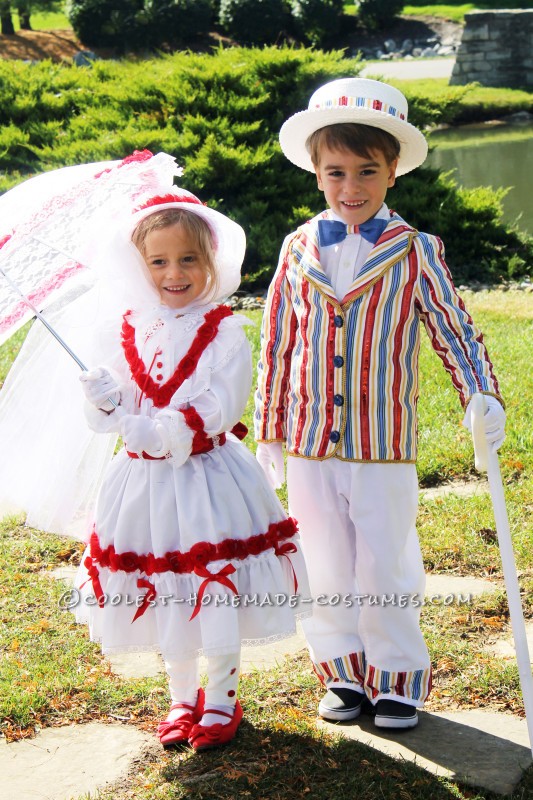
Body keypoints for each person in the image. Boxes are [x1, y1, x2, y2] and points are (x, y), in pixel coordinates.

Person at [254, 78, 506, 730]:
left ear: (392, 171)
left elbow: (454, 329)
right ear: (315, 174)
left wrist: (480, 393)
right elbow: (278, 343)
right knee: (324, 560)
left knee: (384, 562)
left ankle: (395, 675)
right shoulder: (296, 249)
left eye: (367, 171)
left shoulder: (415, 251)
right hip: (310, 439)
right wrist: (270, 428)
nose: (351, 186)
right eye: (335, 172)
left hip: (382, 441)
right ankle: (341, 673)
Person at [71, 189, 308, 751]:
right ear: (140, 265)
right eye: (159, 261)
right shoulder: (128, 328)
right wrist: (105, 400)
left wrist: (162, 428)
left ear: (212, 262)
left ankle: (223, 697)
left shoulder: (223, 329)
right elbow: (115, 412)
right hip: (143, 486)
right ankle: (181, 696)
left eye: (188, 260)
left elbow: (221, 404)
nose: (173, 273)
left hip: (207, 479)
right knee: (164, 584)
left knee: (211, 582)